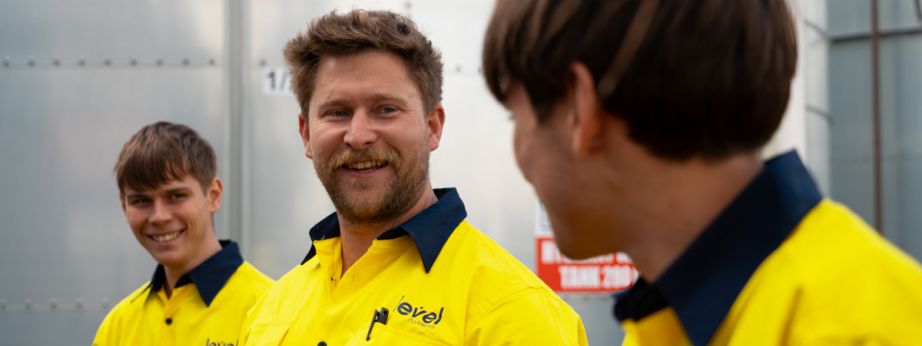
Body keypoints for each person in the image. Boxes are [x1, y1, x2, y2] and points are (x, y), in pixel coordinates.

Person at [482, 0, 922, 344]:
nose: (518, 153)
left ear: (580, 110)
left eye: (514, 116)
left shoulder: (856, 334)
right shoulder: (669, 321)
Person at [240, 9, 587, 345]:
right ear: (306, 134)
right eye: (337, 112)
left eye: (386, 110)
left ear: (433, 127)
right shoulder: (272, 309)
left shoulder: (513, 310)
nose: (358, 135)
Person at [94, 121, 274, 345]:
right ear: (124, 206)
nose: (159, 216)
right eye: (141, 200)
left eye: (176, 196)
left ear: (214, 195)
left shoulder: (271, 308)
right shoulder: (118, 326)